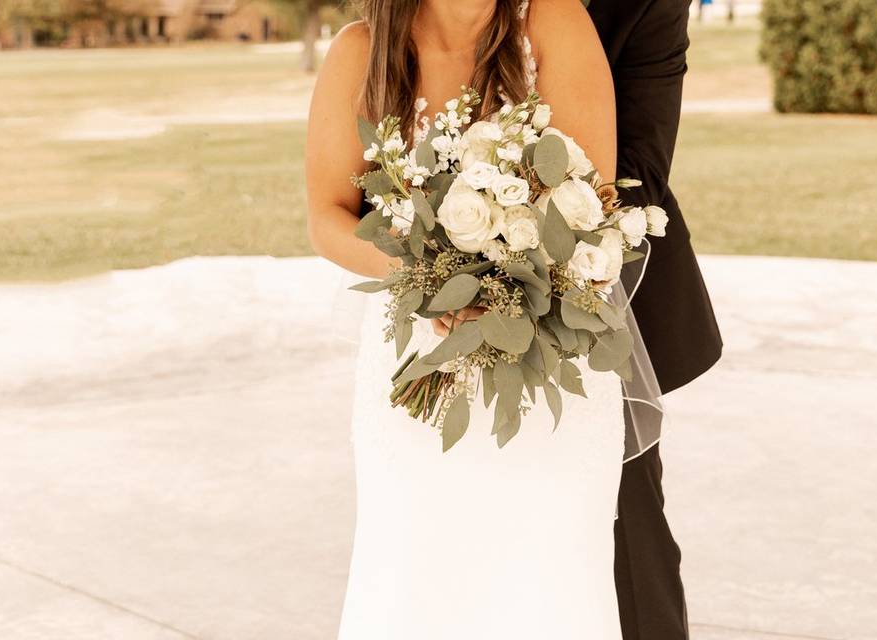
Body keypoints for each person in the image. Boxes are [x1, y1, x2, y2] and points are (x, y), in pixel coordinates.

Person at [306, 0, 719, 637]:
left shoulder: (557, 23)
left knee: (556, 577)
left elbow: (595, 199)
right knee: (418, 570)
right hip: (416, 354)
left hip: (551, 346)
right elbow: (328, 212)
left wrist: (502, 287)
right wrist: (433, 281)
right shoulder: (359, 53)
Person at [587, 0, 723, 636]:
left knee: (630, 525)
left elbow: (640, 172)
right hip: (449, 297)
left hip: (604, 296)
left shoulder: (648, 4)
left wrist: (511, 232)